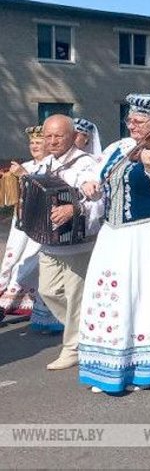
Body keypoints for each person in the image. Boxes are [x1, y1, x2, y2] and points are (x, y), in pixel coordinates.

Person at [78, 94, 150, 394]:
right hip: (115, 232)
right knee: (112, 294)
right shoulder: (118, 147)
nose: (131, 125)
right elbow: (94, 173)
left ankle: (146, 367)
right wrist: (89, 185)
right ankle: (112, 364)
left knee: (146, 294)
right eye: (130, 120)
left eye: (139, 121)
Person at [34, 115, 104, 371]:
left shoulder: (86, 164)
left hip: (77, 241)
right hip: (49, 241)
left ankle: (73, 347)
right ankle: (89, 330)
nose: (52, 141)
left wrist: (74, 208)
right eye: (48, 136)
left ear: (74, 137)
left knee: (75, 295)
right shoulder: (45, 164)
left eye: (58, 136)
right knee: (48, 291)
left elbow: (99, 199)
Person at [0, 126, 63, 332]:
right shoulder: (27, 165)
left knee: (28, 263)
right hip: (21, 222)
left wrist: (24, 175)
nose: (34, 146)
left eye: (38, 142)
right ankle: (12, 299)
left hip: (39, 223)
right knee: (11, 260)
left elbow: (47, 190)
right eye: (31, 143)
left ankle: (10, 303)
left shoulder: (51, 166)